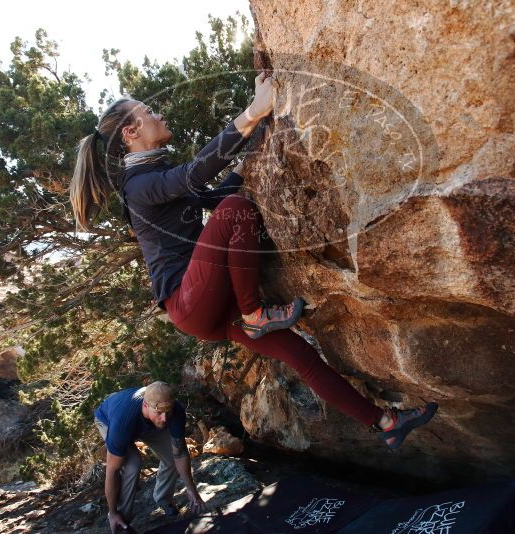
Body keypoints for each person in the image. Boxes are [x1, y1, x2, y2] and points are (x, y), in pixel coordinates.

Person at [70, 72, 437, 456]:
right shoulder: (138, 185)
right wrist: (253, 113)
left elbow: (208, 194)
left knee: (300, 354)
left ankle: (386, 424)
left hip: (211, 304)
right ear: (131, 132)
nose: (159, 114)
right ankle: (255, 312)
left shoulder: (154, 176)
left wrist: (248, 162)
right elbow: (199, 179)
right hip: (189, 300)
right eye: (149, 112)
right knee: (236, 210)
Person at [94, 381, 204, 533]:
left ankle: (163, 499)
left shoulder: (174, 412)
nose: (165, 418)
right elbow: (112, 471)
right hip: (109, 419)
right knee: (132, 464)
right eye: (159, 412)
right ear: (145, 406)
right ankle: (121, 521)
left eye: (168, 411)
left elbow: (179, 453)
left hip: (147, 425)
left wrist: (192, 491)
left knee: (171, 457)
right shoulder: (122, 422)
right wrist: (112, 512)